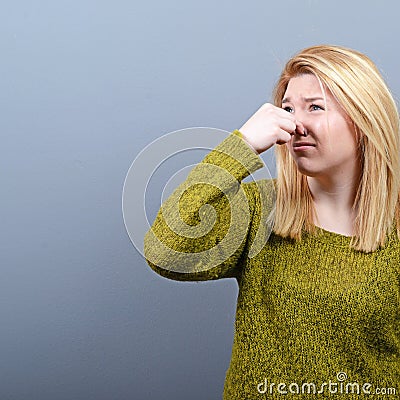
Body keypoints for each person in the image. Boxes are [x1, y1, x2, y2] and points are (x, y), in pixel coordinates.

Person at [144, 45, 400, 399]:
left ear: (364, 120)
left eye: (315, 107)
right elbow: (164, 250)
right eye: (288, 109)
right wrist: (242, 145)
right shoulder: (260, 210)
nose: (296, 124)